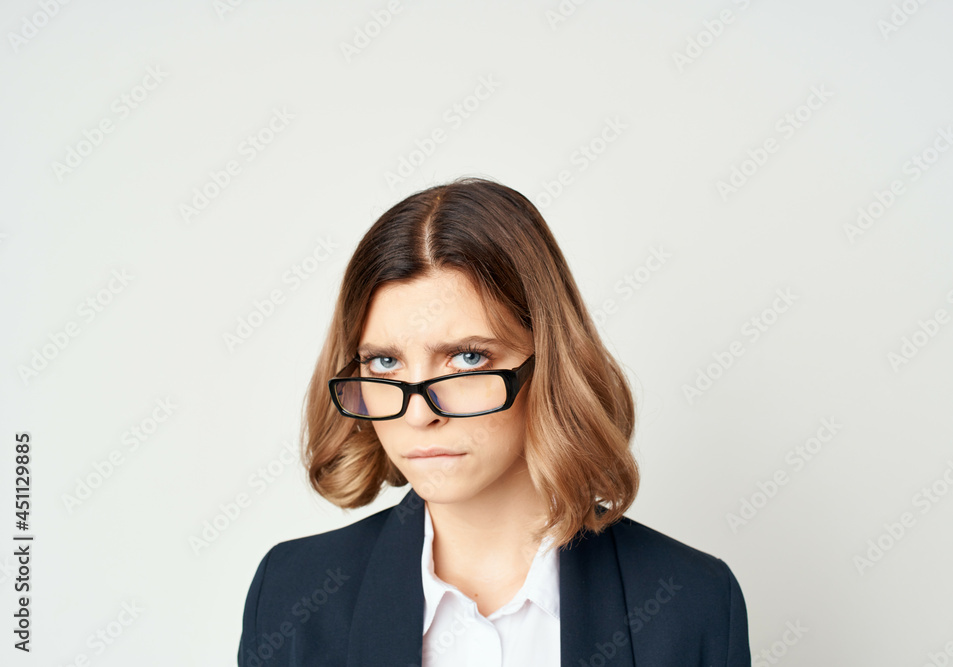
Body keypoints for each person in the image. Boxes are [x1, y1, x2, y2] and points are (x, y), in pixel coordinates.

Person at [237, 176, 751, 666]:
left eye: (467, 358)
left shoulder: (693, 603)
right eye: (385, 362)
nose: (417, 414)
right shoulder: (292, 595)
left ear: (549, 363)